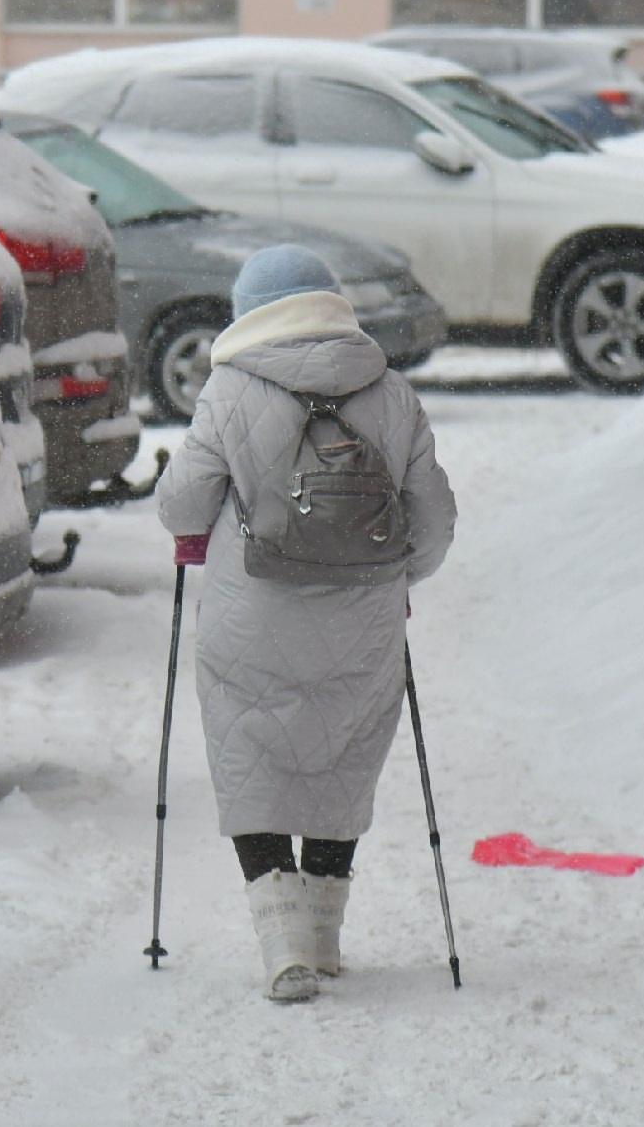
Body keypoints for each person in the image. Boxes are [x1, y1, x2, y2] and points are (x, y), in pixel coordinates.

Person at [154, 245, 456, 1001]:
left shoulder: (228, 390)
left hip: (248, 615)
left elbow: (181, 508)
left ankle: (282, 940)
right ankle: (323, 933)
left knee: (250, 755)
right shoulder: (391, 392)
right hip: (363, 616)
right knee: (340, 755)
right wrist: (395, 578)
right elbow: (436, 521)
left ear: (249, 313)